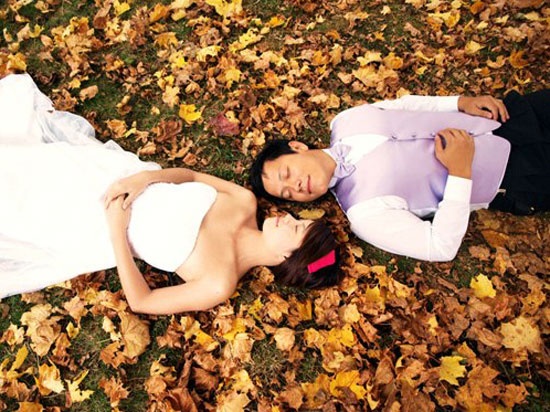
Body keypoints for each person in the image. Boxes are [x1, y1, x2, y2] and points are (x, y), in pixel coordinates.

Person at [0, 74, 341, 314]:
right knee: (29, 161)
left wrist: (116, 229)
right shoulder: (244, 202)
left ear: (288, 258)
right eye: (299, 219)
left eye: (297, 228)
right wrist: (146, 178)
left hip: (97, 224)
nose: (288, 216)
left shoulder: (219, 282)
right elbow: (191, 176)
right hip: (120, 178)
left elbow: (143, 302)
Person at [250, 90, 550, 262]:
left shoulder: (345, 120)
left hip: (511, 115)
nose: (295, 186)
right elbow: (439, 247)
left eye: (287, 173)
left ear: (297, 147)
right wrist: (460, 173)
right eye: (288, 194)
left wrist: (458, 102)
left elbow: (405, 106)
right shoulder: (364, 214)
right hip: (520, 176)